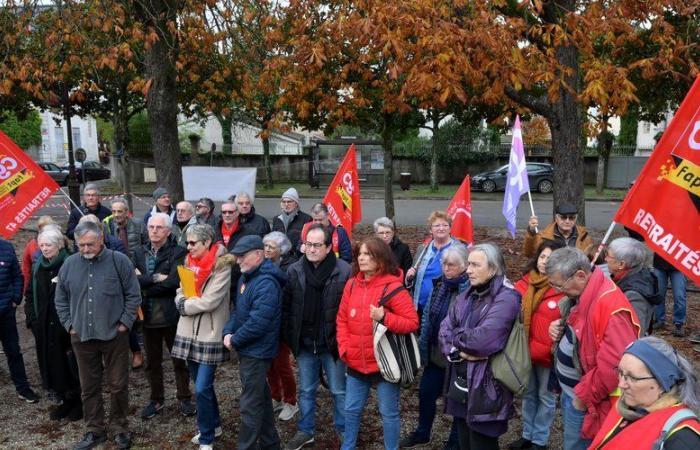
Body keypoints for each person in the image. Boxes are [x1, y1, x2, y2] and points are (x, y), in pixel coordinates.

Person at [54, 221, 141, 450]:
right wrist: (69, 324)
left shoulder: (119, 261)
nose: (85, 250)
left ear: (101, 239)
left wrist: (124, 323)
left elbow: (134, 294)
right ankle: (95, 430)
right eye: (81, 245)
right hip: (81, 337)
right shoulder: (69, 264)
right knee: (88, 387)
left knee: (118, 385)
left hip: (114, 335)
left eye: (90, 244)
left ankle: (120, 428)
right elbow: (60, 298)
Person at [546, 247, 641, 450]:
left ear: (580, 275)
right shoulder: (586, 292)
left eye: (558, 284)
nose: (555, 291)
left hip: (587, 401)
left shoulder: (611, 307)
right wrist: (561, 329)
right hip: (575, 393)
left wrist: (582, 398)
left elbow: (614, 367)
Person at [336, 236, 419, 450]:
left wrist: (385, 318)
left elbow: (411, 323)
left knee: (388, 413)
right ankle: (348, 446)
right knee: (352, 410)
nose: (362, 258)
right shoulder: (352, 284)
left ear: (380, 259)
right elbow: (342, 319)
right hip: (355, 362)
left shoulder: (392, 287)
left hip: (384, 363)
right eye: (360, 254)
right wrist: (344, 348)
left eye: (367, 254)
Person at [438, 243, 520, 450]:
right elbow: (444, 330)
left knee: (482, 443)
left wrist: (458, 340)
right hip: (462, 382)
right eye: (468, 264)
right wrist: (458, 352)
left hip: (487, 386)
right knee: (464, 441)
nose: (468, 270)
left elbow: (482, 341)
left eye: (475, 265)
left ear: (493, 269)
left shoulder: (506, 298)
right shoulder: (468, 294)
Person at [281, 224, 352, 450]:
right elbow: (287, 305)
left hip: (331, 342)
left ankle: (343, 431)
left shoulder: (343, 270)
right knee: (306, 389)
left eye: (316, 245)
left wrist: (344, 341)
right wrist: (289, 337)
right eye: (307, 244)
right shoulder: (295, 270)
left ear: (329, 247)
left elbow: (349, 308)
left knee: (339, 390)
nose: (311, 249)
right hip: (304, 343)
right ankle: (306, 430)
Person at [171, 224, 233, 450]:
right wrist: (180, 300)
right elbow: (181, 290)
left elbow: (210, 301)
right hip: (188, 331)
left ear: (207, 243)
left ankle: (206, 436)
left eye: (193, 242)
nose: (188, 247)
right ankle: (214, 425)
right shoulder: (189, 262)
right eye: (187, 242)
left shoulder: (222, 266)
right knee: (201, 385)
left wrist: (184, 306)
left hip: (210, 333)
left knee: (202, 387)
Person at [400, 246, 468, 450]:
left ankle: (455, 442)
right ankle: (423, 432)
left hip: (458, 359)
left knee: (457, 402)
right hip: (436, 354)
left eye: (451, 265)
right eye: (443, 264)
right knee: (426, 394)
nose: (446, 268)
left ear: (464, 266)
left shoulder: (469, 290)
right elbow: (428, 316)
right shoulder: (440, 285)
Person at [223, 235, 287, 450]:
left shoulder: (266, 284)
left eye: (242, 256)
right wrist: (228, 330)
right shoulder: (246, 277)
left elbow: (258, 323)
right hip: (248, 348)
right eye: (237, 256)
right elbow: (239, 311)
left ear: (258, 255)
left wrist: (235, 339)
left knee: (250, 405)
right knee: (260, 397)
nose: (238, 260)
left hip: (257, 352)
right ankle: (271, 444)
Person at [589, 337, 700, 449]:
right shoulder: (628, 405)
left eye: (632, 378)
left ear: (662, 384)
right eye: (620, 372)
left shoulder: (683, 439)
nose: (621, 385)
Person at [136, 213, 195, 420]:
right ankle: (156, 399)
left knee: (179, 360)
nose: (153, 230)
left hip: (171, 316)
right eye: (151, 227)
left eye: (159, 227)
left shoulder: (178, 252)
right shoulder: (138, 251)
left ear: (168, 231)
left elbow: (173, 283)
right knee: (152, 362)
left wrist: (146, 286)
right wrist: (154, 278)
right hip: (147, 317)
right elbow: (133, 282)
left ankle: (184, 398)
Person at [508, 242, 565, 450]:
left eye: (550, 258)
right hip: (525, 352)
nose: (545, 262)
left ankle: (539, 440)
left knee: (546, 397)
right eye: (542, 257)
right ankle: (527, 435)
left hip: (548, 356)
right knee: (529, 394)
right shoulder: (523, 284)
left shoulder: (563, 288)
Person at [25, 227, 82, 420]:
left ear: (59, 245)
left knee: (70, 365)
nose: (44, 249)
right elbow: (30, 294)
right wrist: (32, 319)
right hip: (43, 326)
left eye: (48, 245)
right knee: (52, 365)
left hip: (65, 325)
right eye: (41, 245)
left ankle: (78, 402)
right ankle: (65, 400)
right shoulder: (38, 266)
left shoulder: (69, 263)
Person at [262, 231, 299, 421]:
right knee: (268, 364)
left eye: (272, 247)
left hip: (281, 322)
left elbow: (289, 291)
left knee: (282, 364)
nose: (267, 249)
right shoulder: (261, 263)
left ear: (281, 250)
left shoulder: (289, 266)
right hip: (266, 322)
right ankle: (275, 396)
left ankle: (291, 401)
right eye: (266, 245)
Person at [626, 228, 689, 337]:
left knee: (679, 295)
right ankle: (660, 319)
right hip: (660, 264)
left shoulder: (683, 222)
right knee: (659, 293)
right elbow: (645, 234)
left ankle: (679, 323)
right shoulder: (661, 222)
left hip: (679, 265)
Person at [0, 236, 40, 404]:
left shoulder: (6, 248)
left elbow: (18, 276)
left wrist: (16, 298)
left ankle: (23, 388)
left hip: (6, 312)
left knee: (14, 352)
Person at [406, 210, 464, 316]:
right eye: (437, 225)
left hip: (444, 310)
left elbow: (465, 280)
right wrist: (410, 277)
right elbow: (415, 276)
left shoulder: (460, 250)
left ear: (450, 228)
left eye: (445, 225)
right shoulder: (422, 249)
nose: (441, 228)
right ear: (430, 230)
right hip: (419, 307)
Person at [606, 237, 662, 335]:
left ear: (621, 264)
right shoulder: (635, 275)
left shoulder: (633, 295)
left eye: (609, 256)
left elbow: (634, 333)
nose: (605, 259)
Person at [523, 203, 593, 258]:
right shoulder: (544, 236)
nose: (567, 221)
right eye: (563, 217)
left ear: (575, 219)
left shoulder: (584, 236)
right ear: (556, 219)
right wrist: (531, 232)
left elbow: (591, 259)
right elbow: (529, 254)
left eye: (571, 218)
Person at [21, 215, 58, 295]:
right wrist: (25, 289)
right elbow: (26, 268)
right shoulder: (32, 245)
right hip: (37, 283)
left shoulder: (59, 243)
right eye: (41, 228)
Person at [272, 187, 312, 257]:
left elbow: (308, 240)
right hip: (279, 257)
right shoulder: (277, 219)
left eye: (289, 201)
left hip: (296, 258)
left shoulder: (306, 219)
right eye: (284, 202)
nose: (286, 204)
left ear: (296, 204)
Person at [103, 198, 144, 265]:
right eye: (114, 211)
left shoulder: (138, 224)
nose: (116, 215)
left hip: (137, 265)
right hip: (117, 264)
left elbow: (147, 244)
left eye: (119, 211)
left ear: (126, 212)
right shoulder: (107, 226)